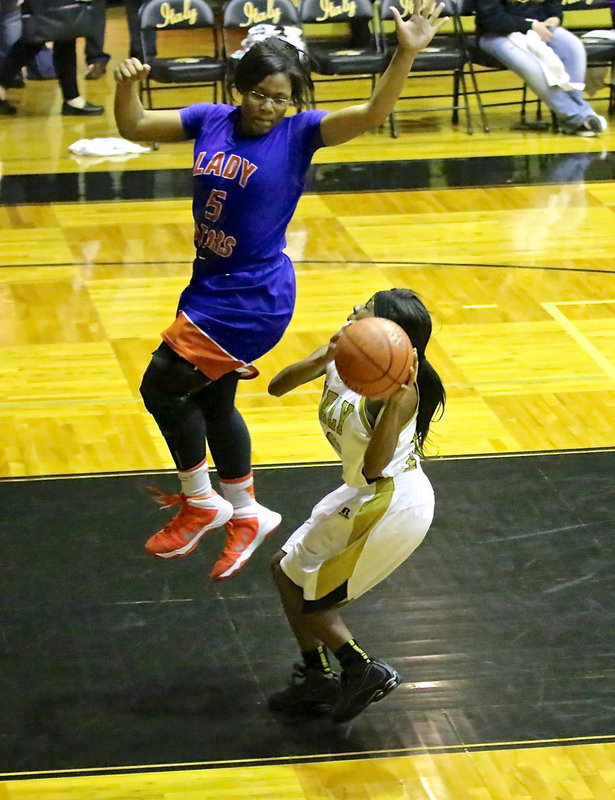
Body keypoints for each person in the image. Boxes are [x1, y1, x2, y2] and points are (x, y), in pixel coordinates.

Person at [113, 1, 447, 582]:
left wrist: (406, 53)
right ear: (240, 89)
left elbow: (372, 112)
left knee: (162, 388)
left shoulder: (300, 135)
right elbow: (135, 127)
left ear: (294, 102)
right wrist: (127, 87)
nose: (270, 107)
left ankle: (201, 500)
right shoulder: (208, 119)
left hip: (252, 297)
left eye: (282, 98)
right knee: (214, 401)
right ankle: (246, 512)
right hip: (209, 283)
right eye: (260, 94)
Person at [267, 289, 445, 723]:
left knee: (313, 597)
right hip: (363, 493)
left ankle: (363, 669)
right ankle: (317, 677)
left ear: (384, 333)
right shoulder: (345, 352)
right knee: (285, 571)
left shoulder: (397, 392)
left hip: (393, 499)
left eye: (363, 310)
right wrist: (318, 360)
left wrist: (396, 404)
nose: (352, 311)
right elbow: (276, 387)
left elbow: (372, 466)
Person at [475, 0, 607, 137]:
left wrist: (555, 17)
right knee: (532, 67)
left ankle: (576, 116)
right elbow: (492, 20)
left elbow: (553, 4)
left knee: (573, 48)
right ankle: (578, 117)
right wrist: (530, 25)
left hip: (540, 28)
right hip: (497, 34)